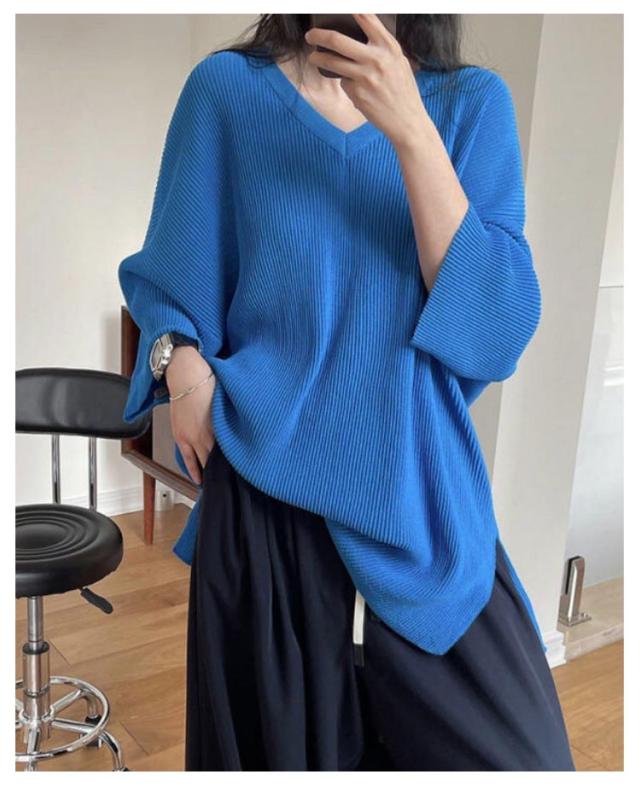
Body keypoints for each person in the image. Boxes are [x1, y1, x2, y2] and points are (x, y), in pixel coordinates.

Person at [118, 13, 576, 771]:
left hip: (420, 507)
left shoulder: (471, 104)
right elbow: (168, 279)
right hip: (265, 507)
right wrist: (181, 364)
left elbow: (495, 335)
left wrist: (411, 129)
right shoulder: (225, 92)